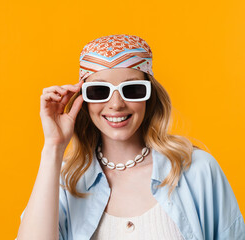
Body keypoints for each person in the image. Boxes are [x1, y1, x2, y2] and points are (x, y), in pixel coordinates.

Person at [16, 34, 245, 240]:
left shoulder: (196, 170)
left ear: (149, 95)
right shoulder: (66, 182)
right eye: (99, 92)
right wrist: (53, 148)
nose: (116, 104)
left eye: (132, 89)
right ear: (84, 100)